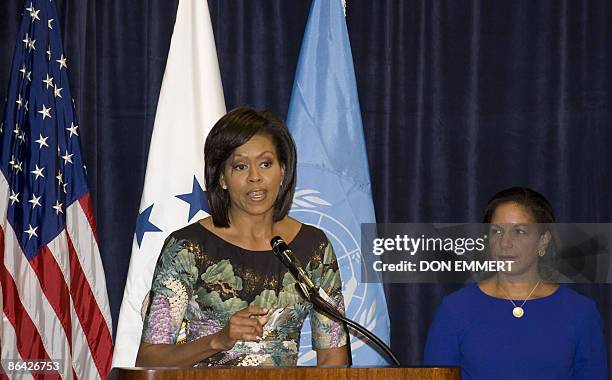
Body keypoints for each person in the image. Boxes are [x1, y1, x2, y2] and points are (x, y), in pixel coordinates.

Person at [136, 106, 349, 367]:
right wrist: (219, 339)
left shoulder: (313, 247)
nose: (255, 177)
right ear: (222, 178)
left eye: (265, 164)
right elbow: (149, 359)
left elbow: (333, 358)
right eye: (240, 166)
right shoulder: (187, 248)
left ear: (283, 170)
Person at [424, 187, 608, 379]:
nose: (505, 243)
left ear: (543, 241)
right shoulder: (455, 310)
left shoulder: (581, 313)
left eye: (519, 231)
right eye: (496, 231)